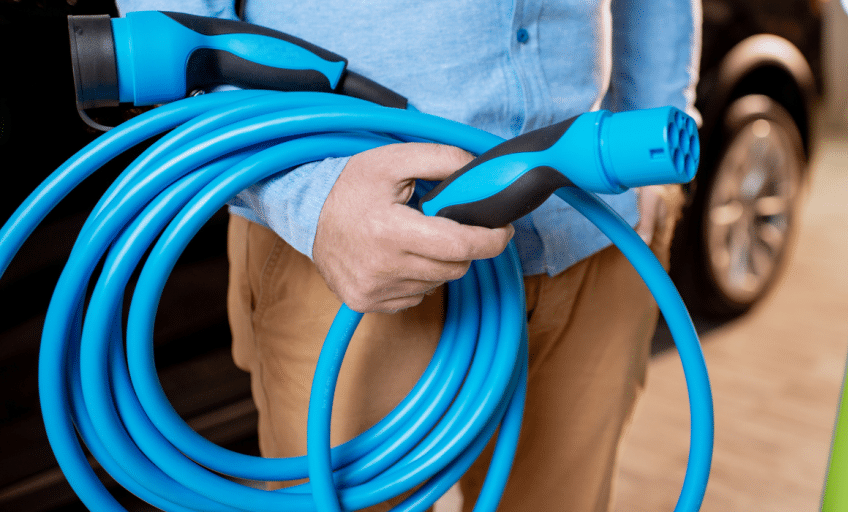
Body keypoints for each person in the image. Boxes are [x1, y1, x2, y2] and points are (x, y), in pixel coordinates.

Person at [116, 1, 702, 510]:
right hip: (354, 251)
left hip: (590, 226)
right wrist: (309, 197)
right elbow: (176, 26)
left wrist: (658, 110)